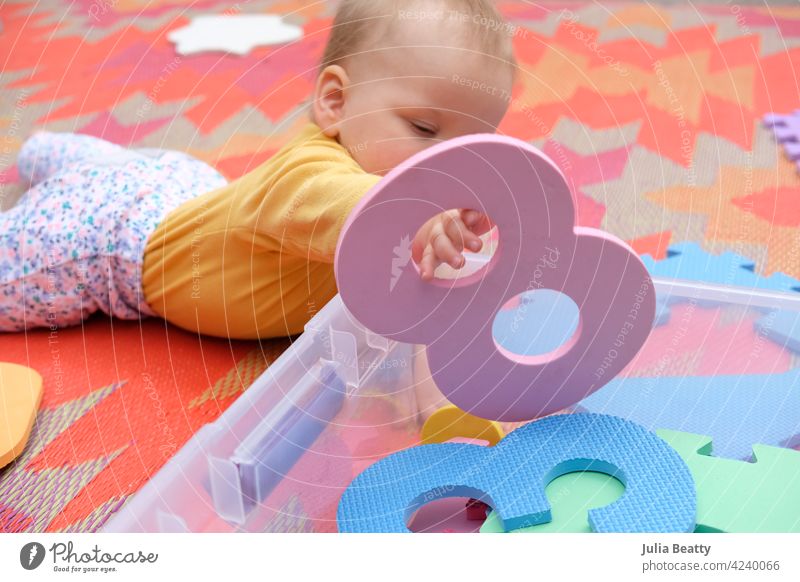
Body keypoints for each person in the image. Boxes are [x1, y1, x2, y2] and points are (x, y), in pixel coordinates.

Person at [0, 0, 515, 338]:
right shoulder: (307, 178)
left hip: (185, 190)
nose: (449, 161)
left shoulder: (400, 182)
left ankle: (48, 151)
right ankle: (53, 162)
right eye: (424, 129)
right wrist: (415, 222)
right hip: (116, 243)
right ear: (335, 101)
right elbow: (353, 208)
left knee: (116, 171)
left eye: (474, 143)